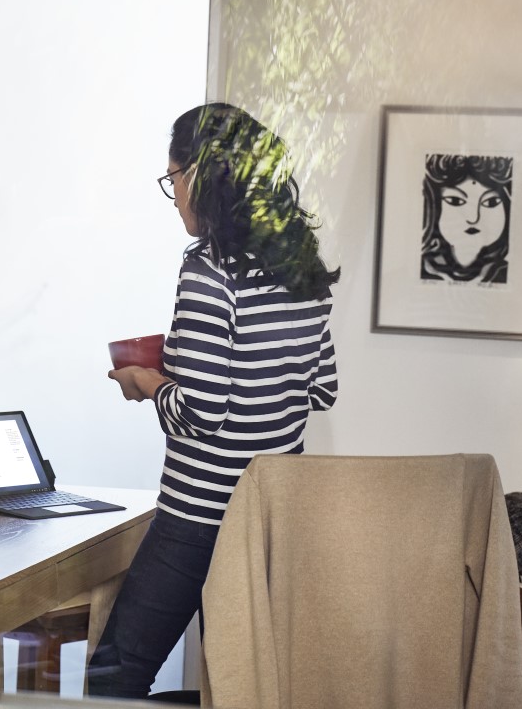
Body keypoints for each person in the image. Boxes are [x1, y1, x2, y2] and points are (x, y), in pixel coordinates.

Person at [87, 102, 340, 699]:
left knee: (110, 684)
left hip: (199, 518)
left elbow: (201, 414)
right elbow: (321, 387)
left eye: (172, 179)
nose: (173, 196)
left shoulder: (209, 268)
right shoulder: (301, 266)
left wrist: (147, 382)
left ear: (199, 175)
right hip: (271, 519)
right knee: (237, 692)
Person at [420, 153, 512, 284]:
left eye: (491, 202)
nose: (473, 218)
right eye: (455, 201)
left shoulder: (511, 273)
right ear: (434, 205)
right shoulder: (421, 269)